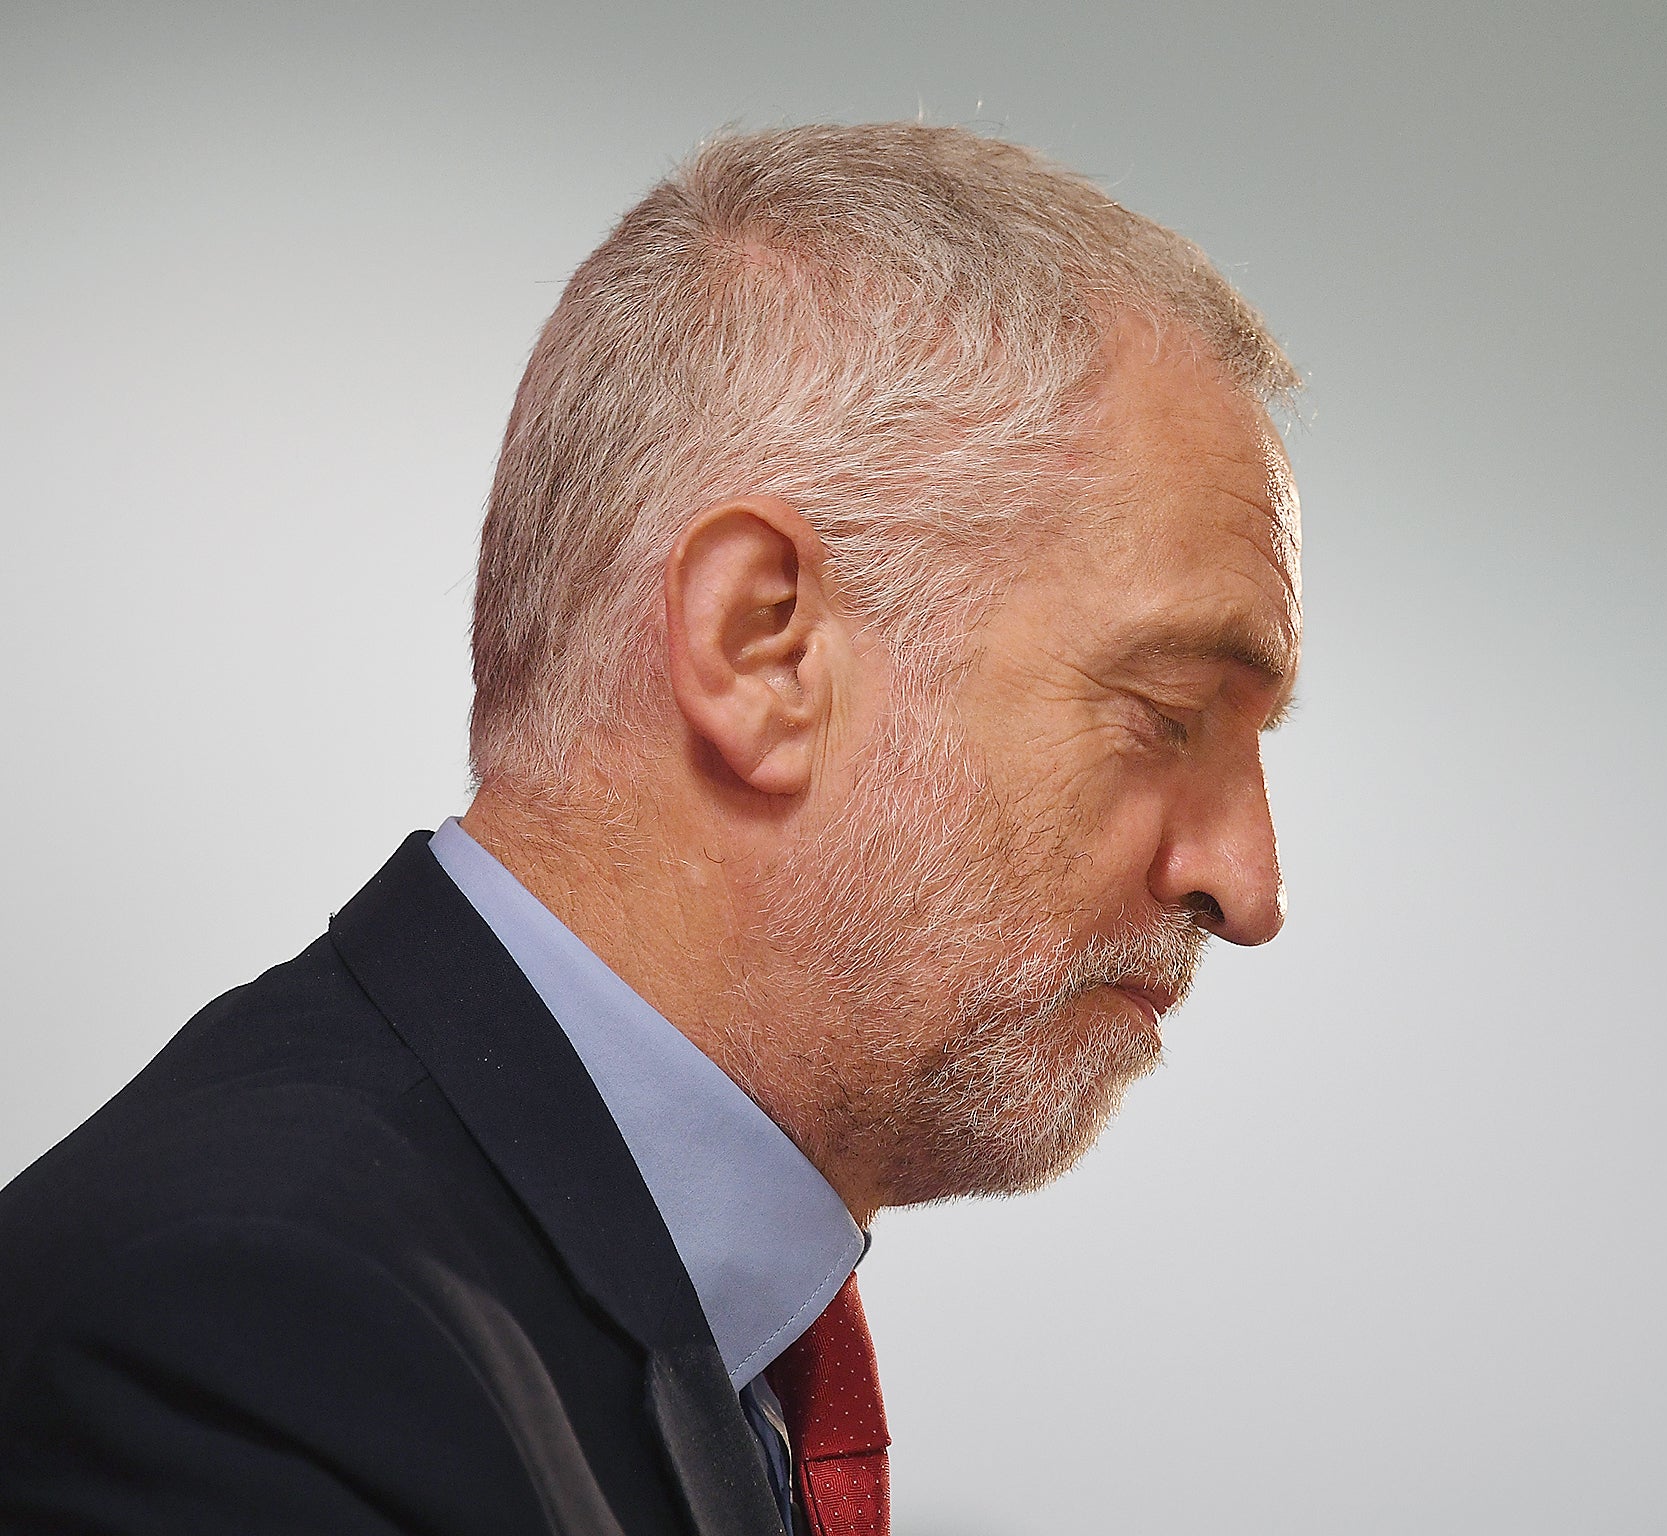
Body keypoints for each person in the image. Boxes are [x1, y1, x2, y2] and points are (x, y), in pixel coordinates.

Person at [0, 122, 1302, 1535]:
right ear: (762, 651)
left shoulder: (611, 1331)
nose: (1248, 883)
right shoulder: (234, 1342)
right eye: (1167, 712)